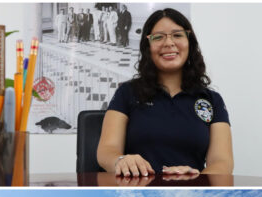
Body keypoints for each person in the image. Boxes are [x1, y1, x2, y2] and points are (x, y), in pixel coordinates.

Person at [97, 8, 233, 177]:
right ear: (148, 47)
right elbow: (106, 151)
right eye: (158, 37)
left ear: (190, 43)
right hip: (136, 190)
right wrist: (121, 160)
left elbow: (222, 162)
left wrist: (198, 178)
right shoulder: (127, 92)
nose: (169, 43)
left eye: (177, 35)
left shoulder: (212, 100)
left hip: (192, 193)